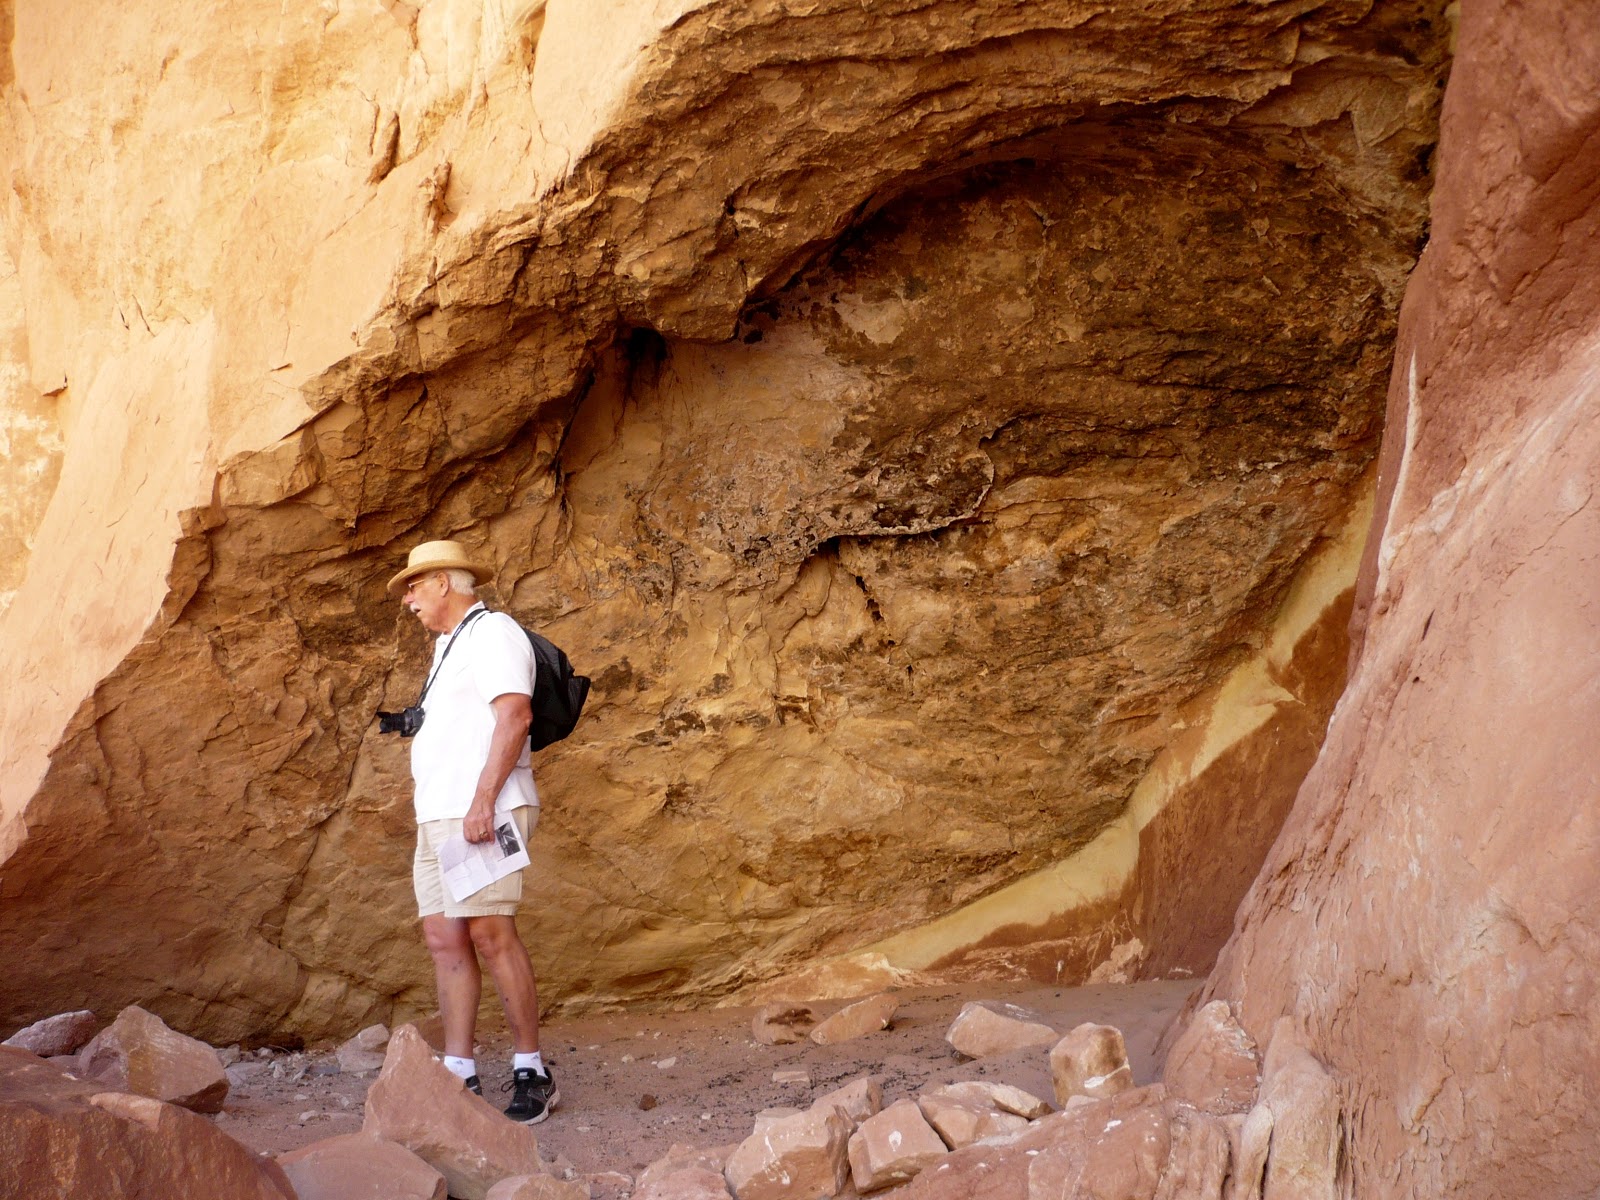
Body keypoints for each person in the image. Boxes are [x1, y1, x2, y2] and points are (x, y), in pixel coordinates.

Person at [386, 539, 558, 1124]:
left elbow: (516, 716)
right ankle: (459, 1073)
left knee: (490, 933)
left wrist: (484, 800)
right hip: (439, 815)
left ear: (444, 583)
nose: (407, 598)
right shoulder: (446, 647)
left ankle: (532, 1068)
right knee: (444, 938)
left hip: (483, 809)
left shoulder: (494, 633)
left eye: (414, 585)